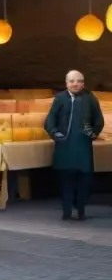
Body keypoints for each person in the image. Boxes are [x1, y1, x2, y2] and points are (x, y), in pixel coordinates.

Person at [45, 70, 104, 221]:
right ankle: (66, 211)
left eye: (78, 81)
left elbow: (99, 120)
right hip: (64, 145)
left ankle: (81, 210)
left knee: (84, 179)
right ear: (66, 84)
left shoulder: (90, 98)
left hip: (83, 145)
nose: (75, 84)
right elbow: (50, 119)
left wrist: (92, 134)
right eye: (72, 81)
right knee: (66, 179)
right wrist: (55, 133)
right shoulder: (60, 98)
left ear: (83, 83)